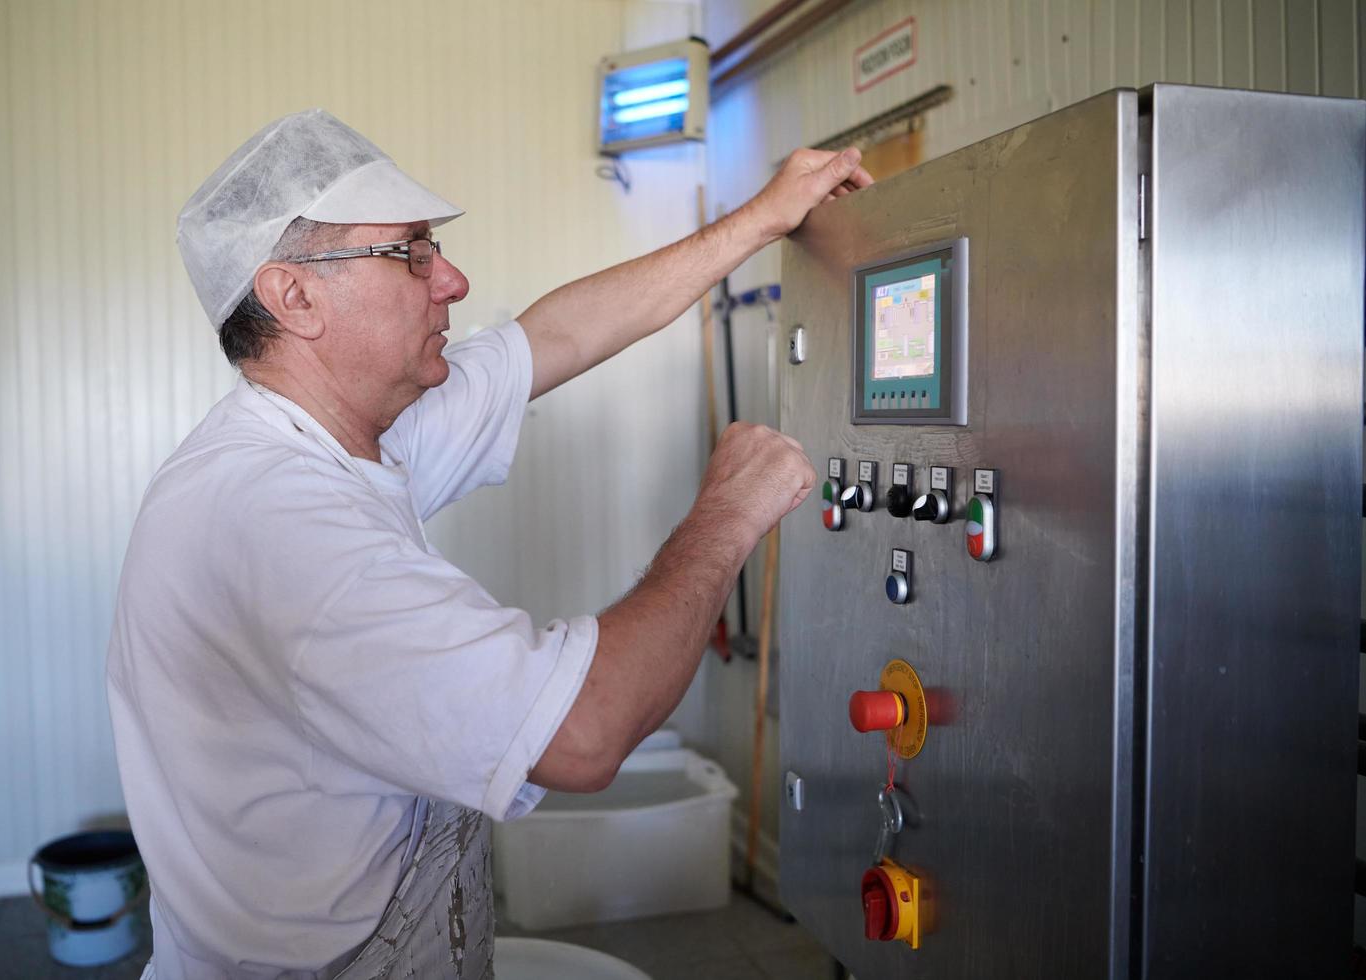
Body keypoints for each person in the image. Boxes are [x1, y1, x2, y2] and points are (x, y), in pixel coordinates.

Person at [106, 108, 872, 980]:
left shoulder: (345, 432)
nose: (453, 281)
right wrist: (729, 513)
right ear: (294, 296)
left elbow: (557, 335)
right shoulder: (278, 521)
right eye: (412, 253)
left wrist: (760, 218)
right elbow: (582, 734)